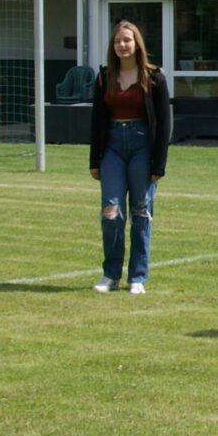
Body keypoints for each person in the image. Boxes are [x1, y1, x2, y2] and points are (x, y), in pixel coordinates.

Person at [87, 21, 170, 295]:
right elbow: (96, 120)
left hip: (141, 146)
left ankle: (137, 276)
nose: (122, 45)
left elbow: (165, 123)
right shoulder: (103, 77)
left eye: (127, 40)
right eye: (117, 41)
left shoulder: (154, 77)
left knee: (140, 211)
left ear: (137, 44)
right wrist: (94, 160)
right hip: (111, 146)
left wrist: (159, 164)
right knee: (111, 212)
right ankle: (110, 274)